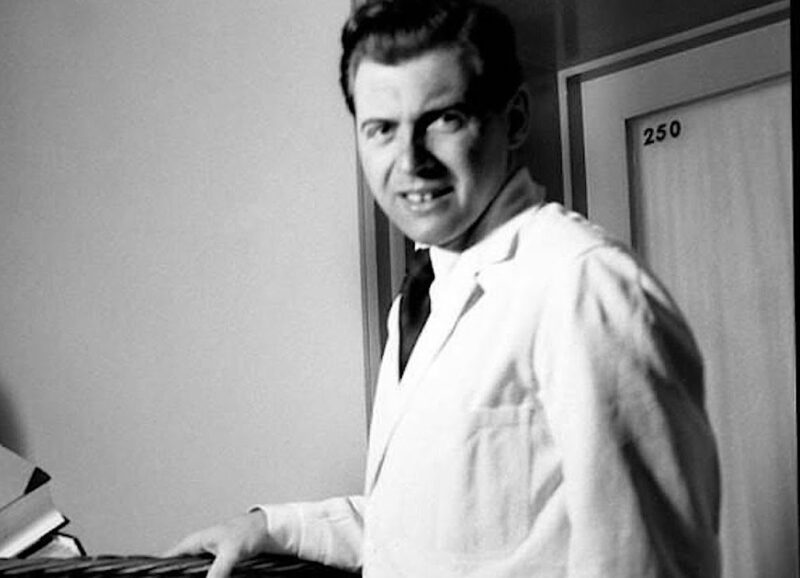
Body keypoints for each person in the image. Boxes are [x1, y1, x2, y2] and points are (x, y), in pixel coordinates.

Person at [166, 0, 721, 576]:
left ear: (515, 119)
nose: (410, 161)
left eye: (444, 119)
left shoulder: (581, 283)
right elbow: (428, 527)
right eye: (381, 129)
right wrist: (272, 526)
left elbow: (649, 560)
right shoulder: (421, 299)